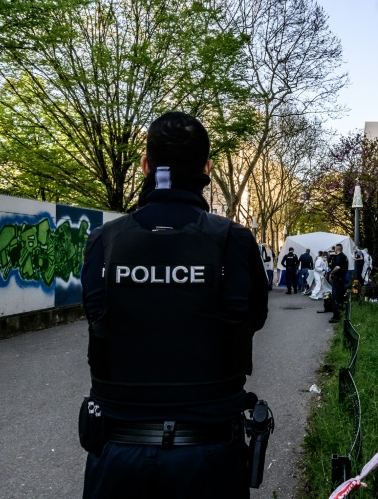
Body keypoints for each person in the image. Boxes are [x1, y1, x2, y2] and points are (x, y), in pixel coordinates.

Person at [79, 112, 268, 498]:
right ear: (207, 169)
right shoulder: (234, 241)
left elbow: (98, 316)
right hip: (210, 455)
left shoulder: (103, 242)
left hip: (116, 456)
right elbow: (255, 318)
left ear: (145, 166)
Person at [327, 243, 349, 323]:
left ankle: (336, 316)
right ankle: (339, 313)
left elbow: (338, 267)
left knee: (335, 297)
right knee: (339, 297)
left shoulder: (339, 257)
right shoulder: (344, 256)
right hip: (341, 279)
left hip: (338, 280)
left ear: (336, 249)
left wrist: (331, 273)